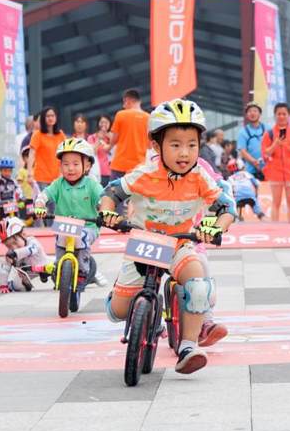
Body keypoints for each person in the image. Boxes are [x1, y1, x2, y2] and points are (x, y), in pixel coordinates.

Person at [99, 99, 235, 374]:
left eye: (192, 145)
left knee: (198, 284)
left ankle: (188, 347)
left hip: (179, 244)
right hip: (145, 243)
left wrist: (217, 227)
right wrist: (108, 213)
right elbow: (111, 193)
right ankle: (127, 299)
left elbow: (226, 207)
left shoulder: (200, 177)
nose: (184, 153)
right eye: (175, 145)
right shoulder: (144, 173)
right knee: (118, 311)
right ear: (156, 145)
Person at [34, 138, 106, 288]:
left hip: (88, 226)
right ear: (60, 166)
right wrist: (40, 205)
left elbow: (103, 200)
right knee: (60, 245)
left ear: (87, 166)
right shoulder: (58, 184)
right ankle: (59, 268)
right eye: (65, 164)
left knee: (82, 237)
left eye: (75, 164)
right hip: (64, 226)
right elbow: (44, 195)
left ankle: (83, 272)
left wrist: (104, 211)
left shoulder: (92, 185)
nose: (70, 168)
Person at [262, 103, 290, 222]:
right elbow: (265, 154)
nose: (281, 116)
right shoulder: (269, 134)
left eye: (284, 114)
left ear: (288, 115)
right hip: (275, 174)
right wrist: (275, 144)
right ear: (275, 115)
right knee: (276, 203)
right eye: (279, 114)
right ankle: (275, 229)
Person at [0, 217, 46, 293]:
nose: (13, 247)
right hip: (27, 273)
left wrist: (16, 253)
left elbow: (32, 249)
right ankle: (12, 285)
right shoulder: (10, 254)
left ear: (23, 235)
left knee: (58, 267)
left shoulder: (32, 241)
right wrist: (3, 285)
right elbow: (4, 269)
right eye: (9, 246)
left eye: (15, 243)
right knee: (18, 286)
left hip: (44, 264)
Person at [109, 89, 149, 180]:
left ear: (128, 100)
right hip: (140, 166)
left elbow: (114, 140)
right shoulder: (149, 118)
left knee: (114, 189)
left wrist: (108, 146)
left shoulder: (120, 115)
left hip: (120, 165)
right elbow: (150, 145)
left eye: (124, 102)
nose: (123, 106)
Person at [28, 106, 65, 189]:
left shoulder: (61, 135)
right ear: (43, 118)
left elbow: (65, 155)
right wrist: (29, 173)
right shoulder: (37, 135)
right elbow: (31, 154)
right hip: (41, 178)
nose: (50, 118)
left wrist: (63, 172)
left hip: (57, 177)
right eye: (48, 116)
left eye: (52, 116)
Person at [237, 102, 268, 179]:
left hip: (269, 168)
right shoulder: (243, 132)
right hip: (251, 171)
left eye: (255, 111)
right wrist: (255, 163)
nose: (252, 113)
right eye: (250, 111)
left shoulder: (268, 128)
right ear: (246, 115)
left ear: (260, 114)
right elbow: (243, 151)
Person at [70, 113, 101, 184]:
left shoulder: (91, 138)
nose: (79, 124)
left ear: (86, 125)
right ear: (74, 124)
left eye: (82, 122)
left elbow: (94, 153)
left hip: (91, 174)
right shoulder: (70, 140)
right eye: (77, 122)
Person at [16, 146, 39, 226]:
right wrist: (19, 198)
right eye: (27, 157)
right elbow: (18, 185)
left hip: (34, 199)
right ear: (24, 158)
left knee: (34, 217)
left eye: (31, 157)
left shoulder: (37, 170)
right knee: (24, 216)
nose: (29, 159)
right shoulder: (21, 171)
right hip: (25, 198)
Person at [89, 115, 112, 187]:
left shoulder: (113, 137)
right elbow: (92, 153)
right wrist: (99, 139)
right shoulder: (92, 137)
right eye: (102, 122)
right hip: (98, 173)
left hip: (112, 172)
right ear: (98, 123)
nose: (104, 125)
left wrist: (111, 139)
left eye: (106, 122)